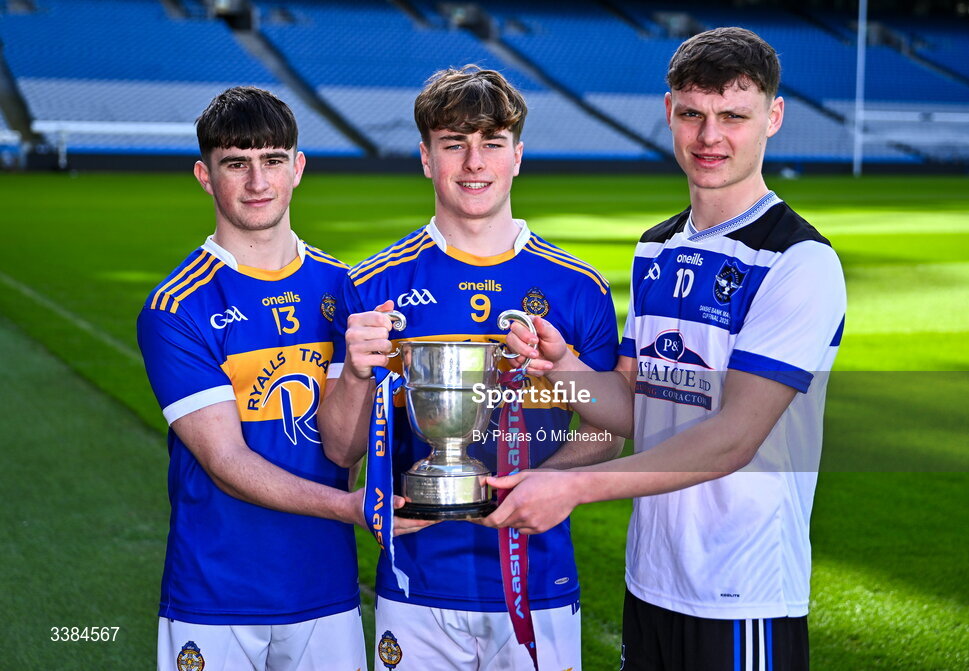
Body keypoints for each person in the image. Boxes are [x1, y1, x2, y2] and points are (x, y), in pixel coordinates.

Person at [487, 27, 847, 671]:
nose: (710, 137)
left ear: (773, 117)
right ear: (669, 115)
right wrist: (561, 366)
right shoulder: (656, 248)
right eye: (693, 115)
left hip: (741, 593)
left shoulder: (798, 261)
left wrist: (574, 488)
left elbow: (736, 437)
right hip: (651, 580)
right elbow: (635, 408)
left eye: (733, 116)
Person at [318, 65, 622, 671]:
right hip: (416, 584)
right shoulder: (371, 286)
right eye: (454, 144)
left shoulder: (578, 288)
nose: (474, 162)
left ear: (518, 157)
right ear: (427, 159)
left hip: (540, 580)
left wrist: (548, 480)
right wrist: (353, 375)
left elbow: (607, 433)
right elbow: (341, 451)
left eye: (492, 144)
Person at [137, 86, 428, 671]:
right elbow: (225, 460)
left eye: (272, 160)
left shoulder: (349, 288)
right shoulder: (177, 307)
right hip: (216, 594)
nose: (257, 181)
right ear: (204, 175)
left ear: (297, 168)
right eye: (235, 163)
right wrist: (353, 507)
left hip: (326, 591)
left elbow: (347, 445)